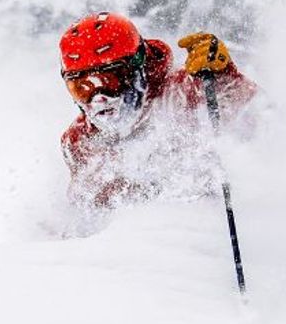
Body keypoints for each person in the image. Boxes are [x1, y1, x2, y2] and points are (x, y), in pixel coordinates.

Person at [58, 11, 258, 210]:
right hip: (134, 238)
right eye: (82, 87)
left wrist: (224, 78)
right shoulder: (79, 141)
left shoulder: (183, 91)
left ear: (137, 67)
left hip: (204, 227)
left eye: (109, 80)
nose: (99, 98)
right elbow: (82, 212)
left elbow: (259, 121)